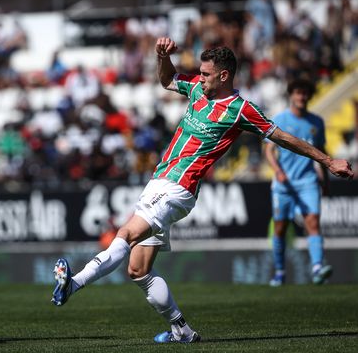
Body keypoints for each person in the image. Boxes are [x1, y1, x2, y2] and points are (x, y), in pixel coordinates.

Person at [51, 37, 354, 344]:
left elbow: (282, 137)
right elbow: (167, 79)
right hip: (159, 181)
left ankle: (72, 285)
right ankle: (181, 330)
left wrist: (328, 161)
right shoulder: (197, 89)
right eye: (201, 72)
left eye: (207, 74)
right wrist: (161, 56)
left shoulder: (241, 109)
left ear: (224, 76)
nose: (201, 78)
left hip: (178, 187)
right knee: (138, 269)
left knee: (125, 234)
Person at [265, 79, 332, 286]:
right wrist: (277, 171)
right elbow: (268, 150)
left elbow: (321, 151)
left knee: (312, 222)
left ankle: (317, 268)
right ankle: (280, 271)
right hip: (283, 184)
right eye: (298, 93)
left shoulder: (316, 123)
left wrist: (326, 179)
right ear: (291, 95)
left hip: (307, 181)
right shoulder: (280, 119)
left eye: (304, 94)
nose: (301, 97)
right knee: (280, 228)